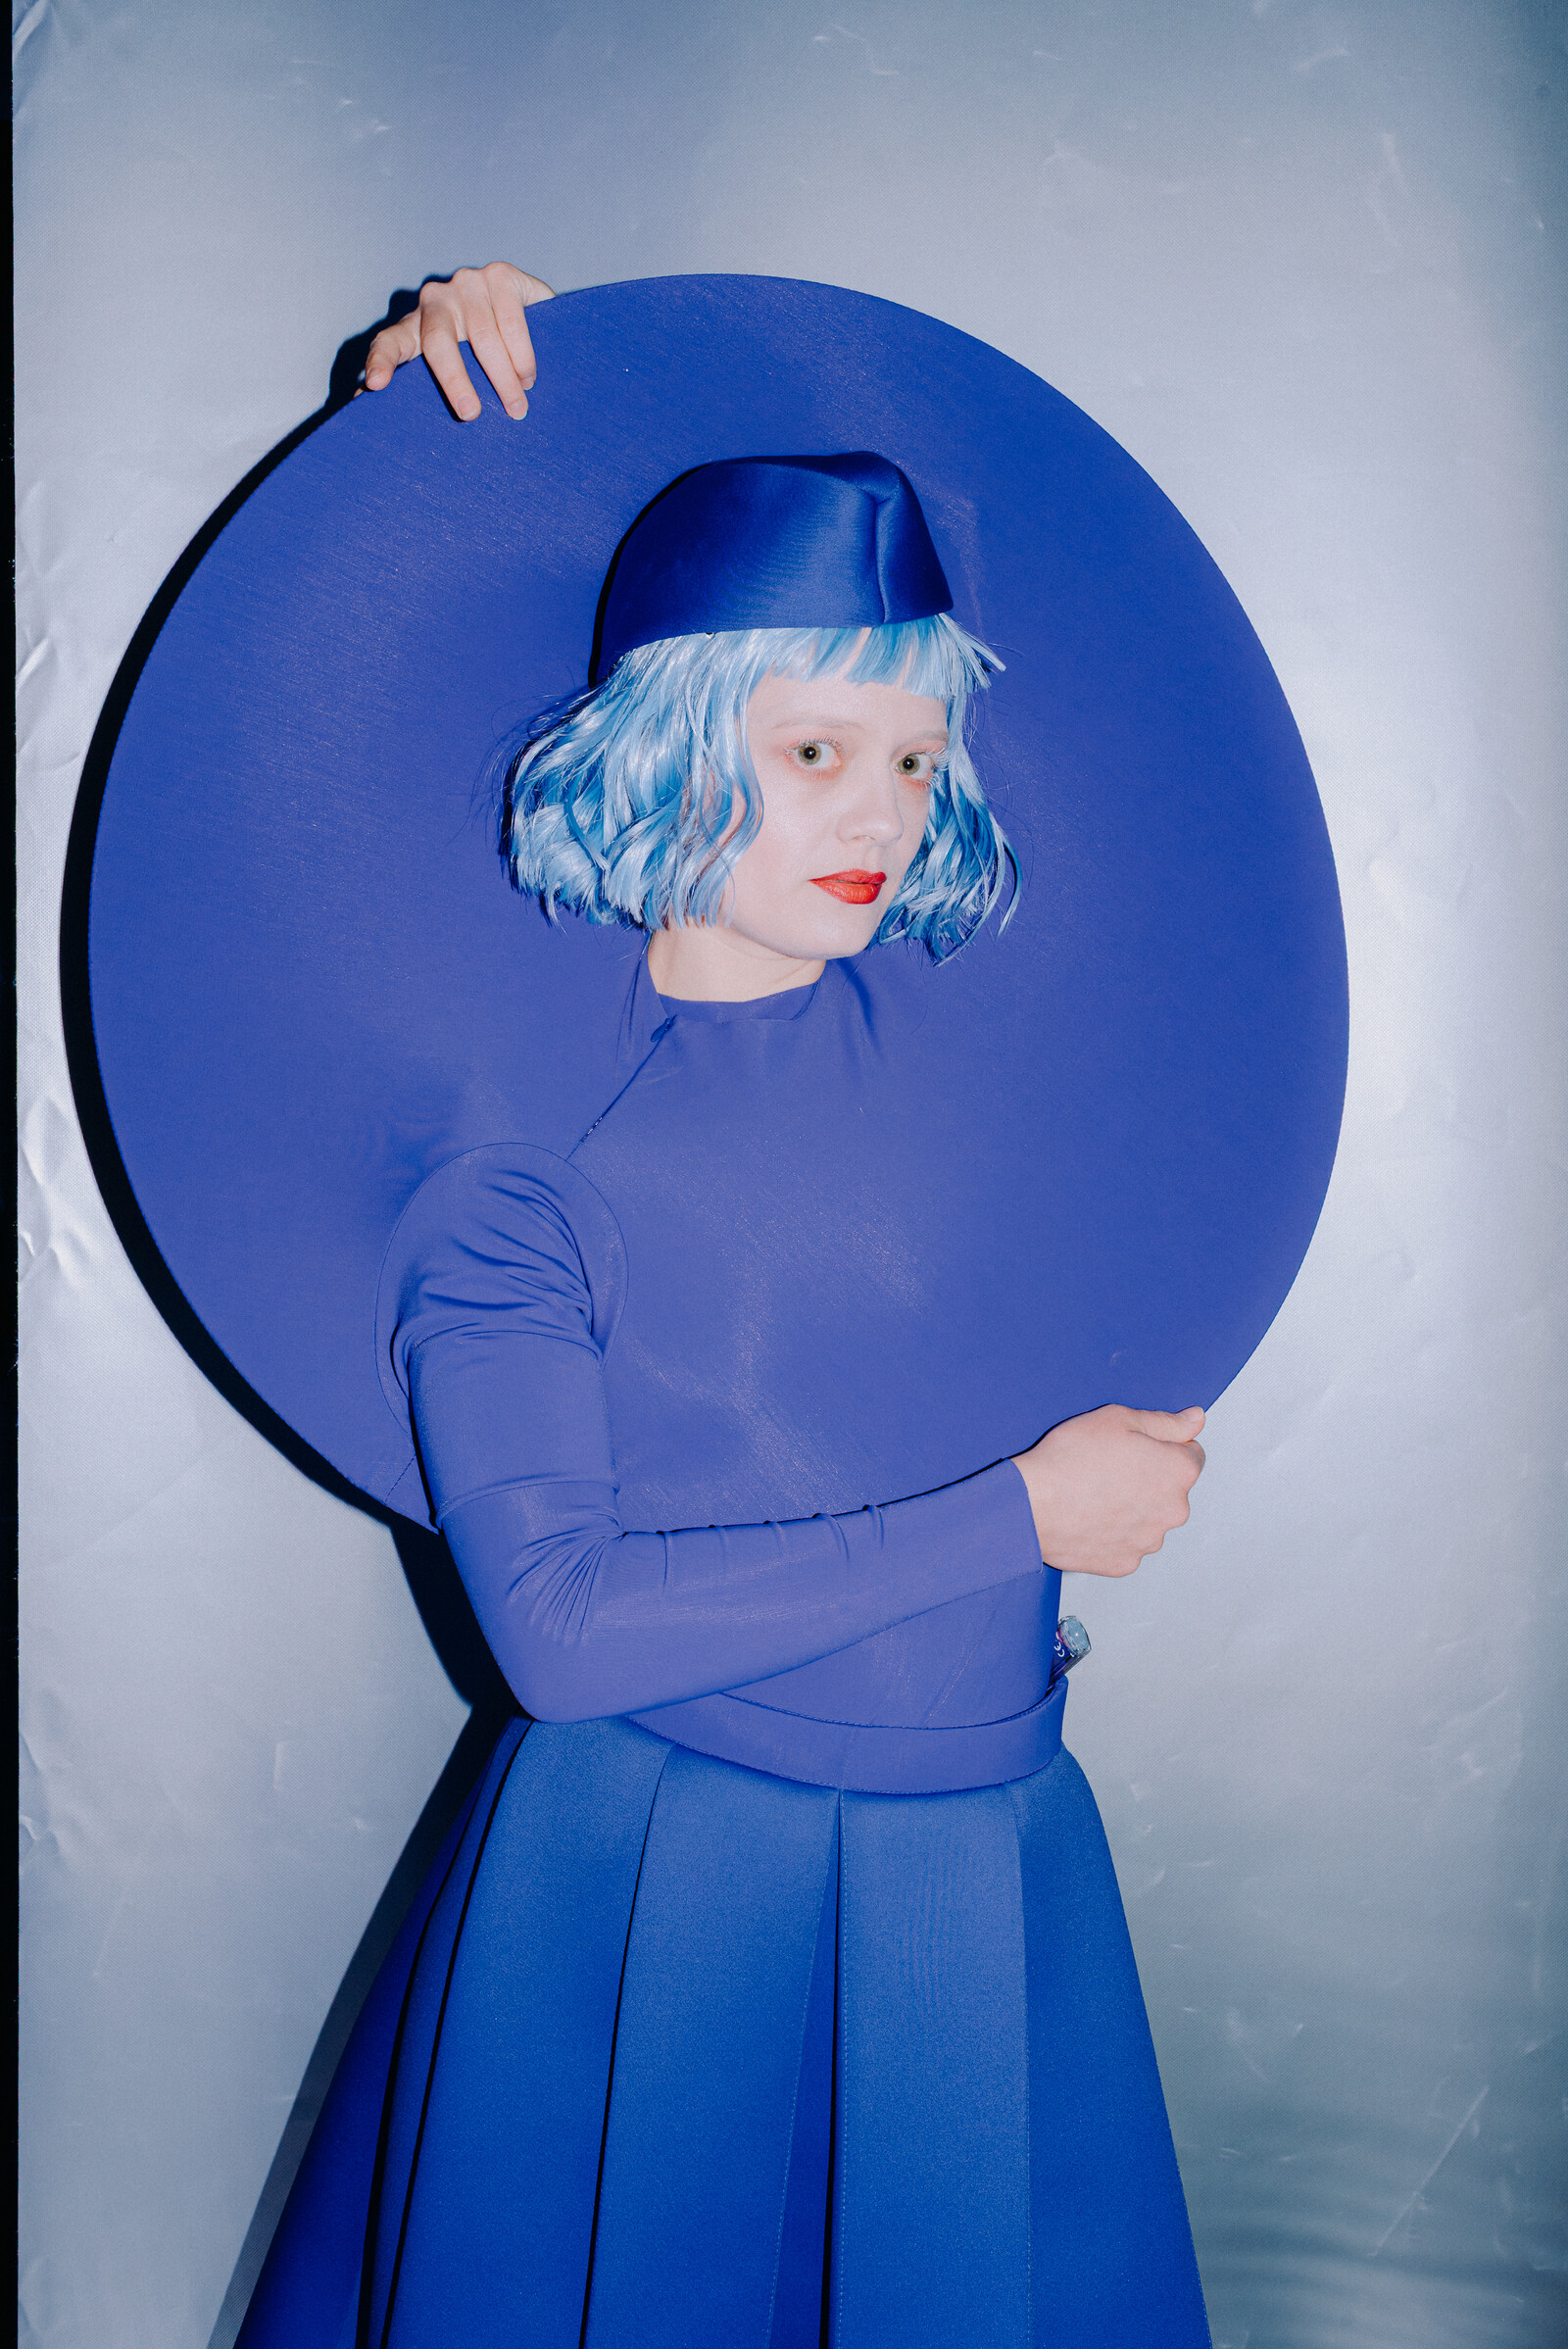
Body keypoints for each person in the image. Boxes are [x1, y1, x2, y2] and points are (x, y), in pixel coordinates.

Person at [209, 272, 1212, 2347]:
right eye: (813, 745)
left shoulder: (950, 1032)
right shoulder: (521, 1164)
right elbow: (556, 1632)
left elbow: (1142, 768)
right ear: (670, 744)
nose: (876, 810)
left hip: (980, 1863)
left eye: (915, 756)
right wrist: (415, 444)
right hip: (668, 1883)